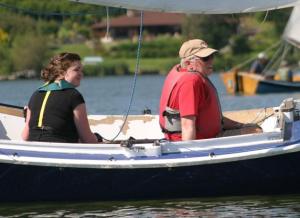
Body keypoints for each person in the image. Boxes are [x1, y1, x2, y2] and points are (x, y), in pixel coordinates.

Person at [159, 39, 259, 141]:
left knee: (252, 127)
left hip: (210, 136)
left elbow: (215, 119)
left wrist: (240, 125)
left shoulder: (183, 73)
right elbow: (187, 125)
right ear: (189, 63)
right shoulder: (190, 81)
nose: (211, 60)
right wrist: (189, 154)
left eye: (212, 56)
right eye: (205, 58)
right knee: (256, 131)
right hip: (203, 141)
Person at [22, 52, 102, 143]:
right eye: (76, 70)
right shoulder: (74, 95)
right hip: (60, 149)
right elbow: (87, 139)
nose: (81, 74)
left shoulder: (35, 94)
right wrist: (97, 139)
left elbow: (25, 136)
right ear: (62, 73)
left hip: (35, 148)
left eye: (81, 70)